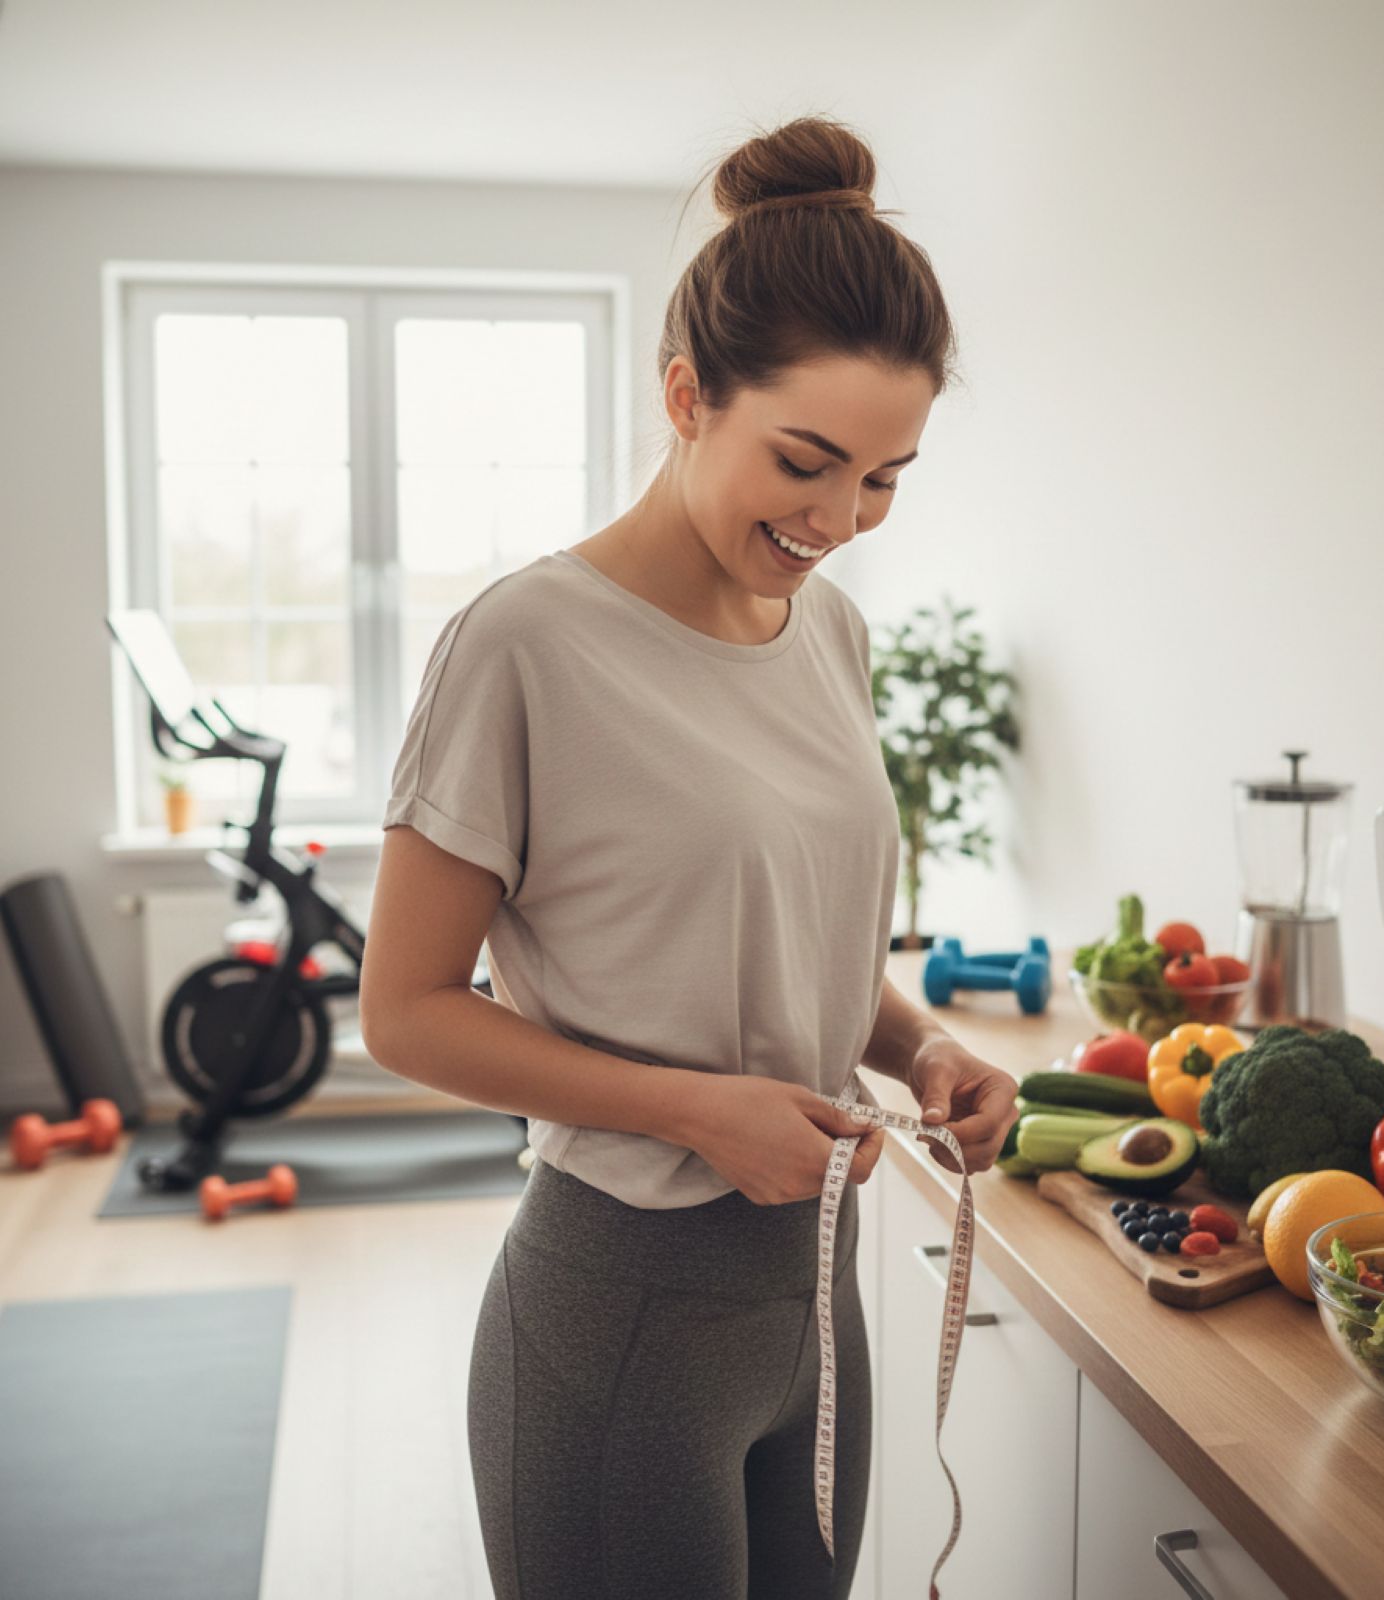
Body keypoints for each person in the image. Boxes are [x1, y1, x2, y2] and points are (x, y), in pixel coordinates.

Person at [360, 112, 1021, 1600]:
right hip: (620, 1314)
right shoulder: (523, 645)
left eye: (887, 478)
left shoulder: (830, 631)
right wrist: (702, 1115)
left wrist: (920, 1051)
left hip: (816, 1302)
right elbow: (402, 1012)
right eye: (805, 462)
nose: (840, 521)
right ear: (685, 396)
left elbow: (803, 956)